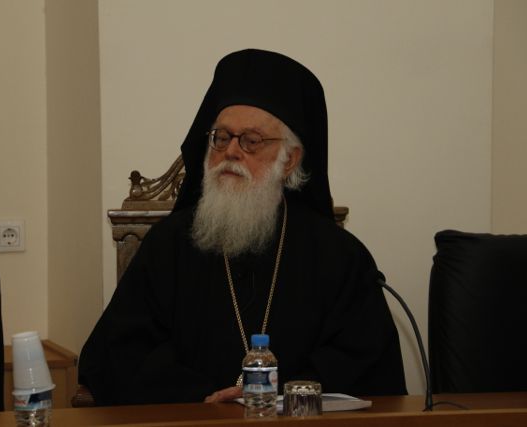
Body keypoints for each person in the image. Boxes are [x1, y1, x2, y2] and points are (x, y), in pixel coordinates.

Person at [79, 49, 407, 405]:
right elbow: (117, 354)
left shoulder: (338, 256)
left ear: (289, 160)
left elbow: (366, 364)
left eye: (251, 141)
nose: (231, 152)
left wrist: (280, 396)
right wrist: (202, 398)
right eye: (222, 138)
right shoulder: (169, 244)